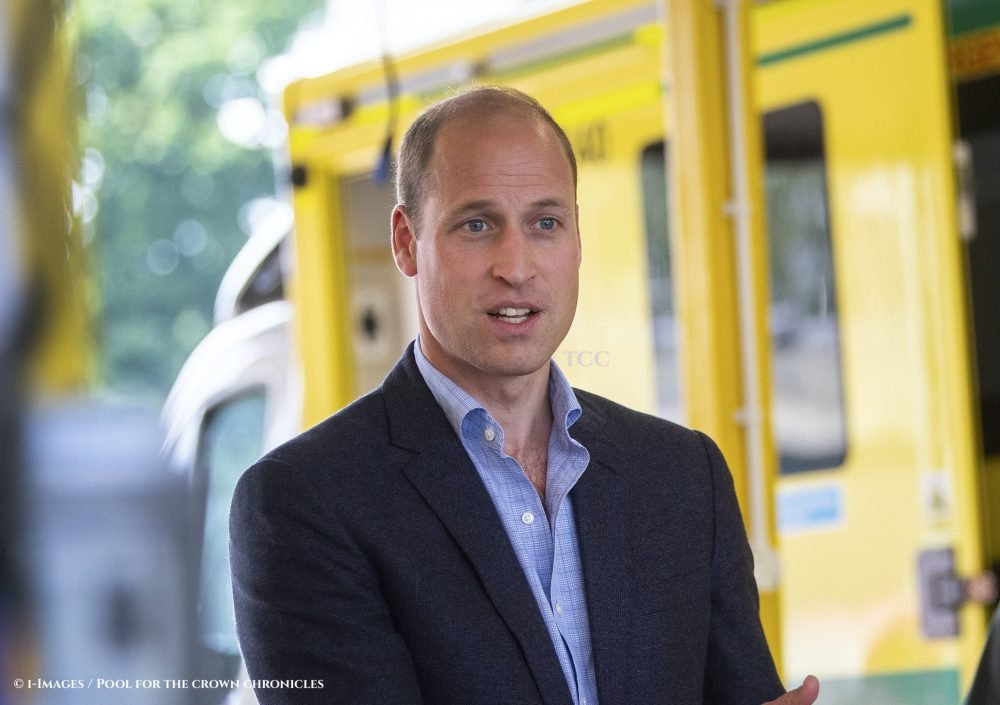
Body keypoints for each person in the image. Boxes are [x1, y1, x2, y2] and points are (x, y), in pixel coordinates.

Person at [230, 85, 820, 705]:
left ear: (577, 240)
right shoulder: (302, 504)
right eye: (477, 225)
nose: (516, 265)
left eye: (545, 223)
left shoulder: (682, 475)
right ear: (406, 242)